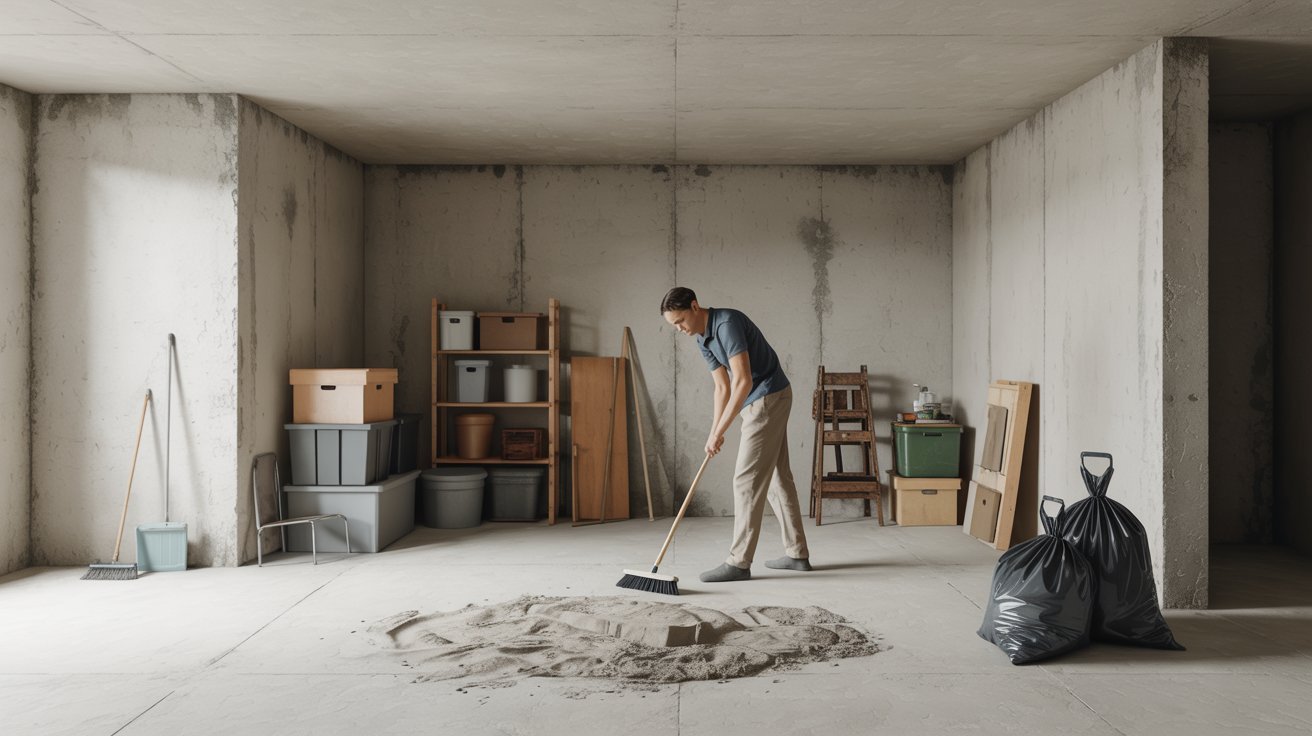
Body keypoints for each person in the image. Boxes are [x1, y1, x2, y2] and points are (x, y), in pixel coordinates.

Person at [660, 286, 811, 582]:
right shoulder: (702, 337)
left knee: (746, 479)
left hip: (767, 397)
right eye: (674, 325)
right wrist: (713, 432)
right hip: (758, 399)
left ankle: (739, 562)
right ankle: (797, 554)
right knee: (777, 477)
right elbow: (722, 387)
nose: (679, 329)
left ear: (694, 306)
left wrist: (722, 430)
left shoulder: (727, 324)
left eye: (680, 321)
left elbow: (741, 380)